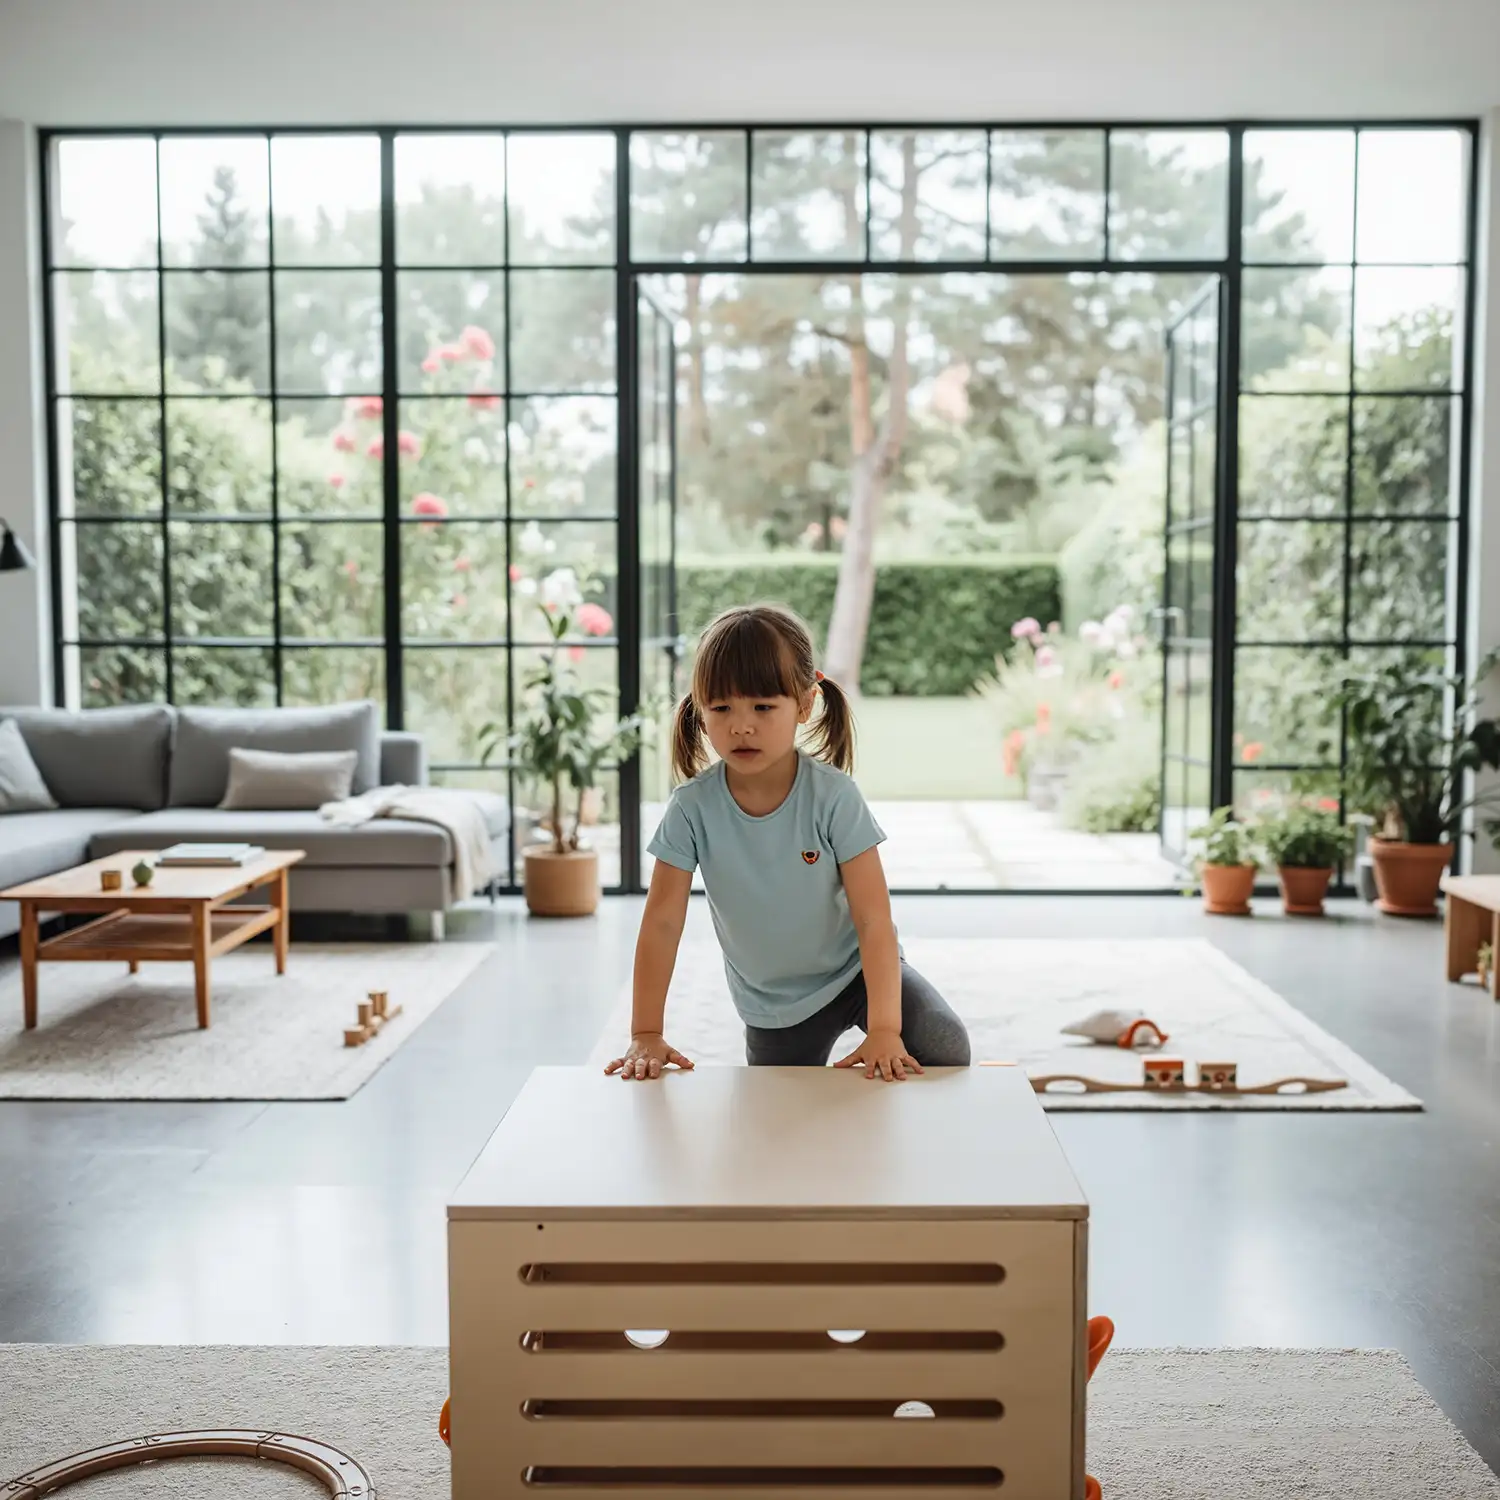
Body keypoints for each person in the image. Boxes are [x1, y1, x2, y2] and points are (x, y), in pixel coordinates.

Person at [606, 602, 971, 1084]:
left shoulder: (834, 797)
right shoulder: (691, 809)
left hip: (854, 973)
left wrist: (885, 1028)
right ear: (699, 709)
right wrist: (646, 1031)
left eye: (762, 706)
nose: (741, 725)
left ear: (803, 704)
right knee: (780, 1113)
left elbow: (873, 917)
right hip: (775, 1005)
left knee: (946, 1046)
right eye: (721, 708)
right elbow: (661, 923)